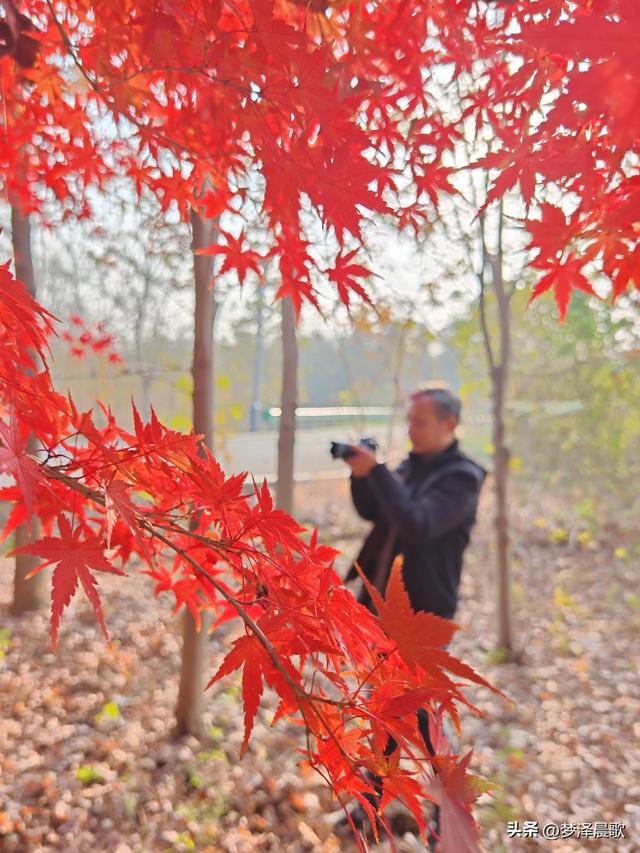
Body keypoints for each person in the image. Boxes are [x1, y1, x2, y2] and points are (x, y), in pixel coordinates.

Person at [339, 383, 486, 847]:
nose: (411, 430)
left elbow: (417, 523)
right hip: (378, 612)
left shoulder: (462, 477)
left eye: (419, 422)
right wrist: (362, 474)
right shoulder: (409, 467)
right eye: (409, 421)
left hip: (423, 617)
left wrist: (379, 472)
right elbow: (376, 513)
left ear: (449, 424)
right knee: (382, 712)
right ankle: (370, 807)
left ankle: (453, 818)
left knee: (423, 718)